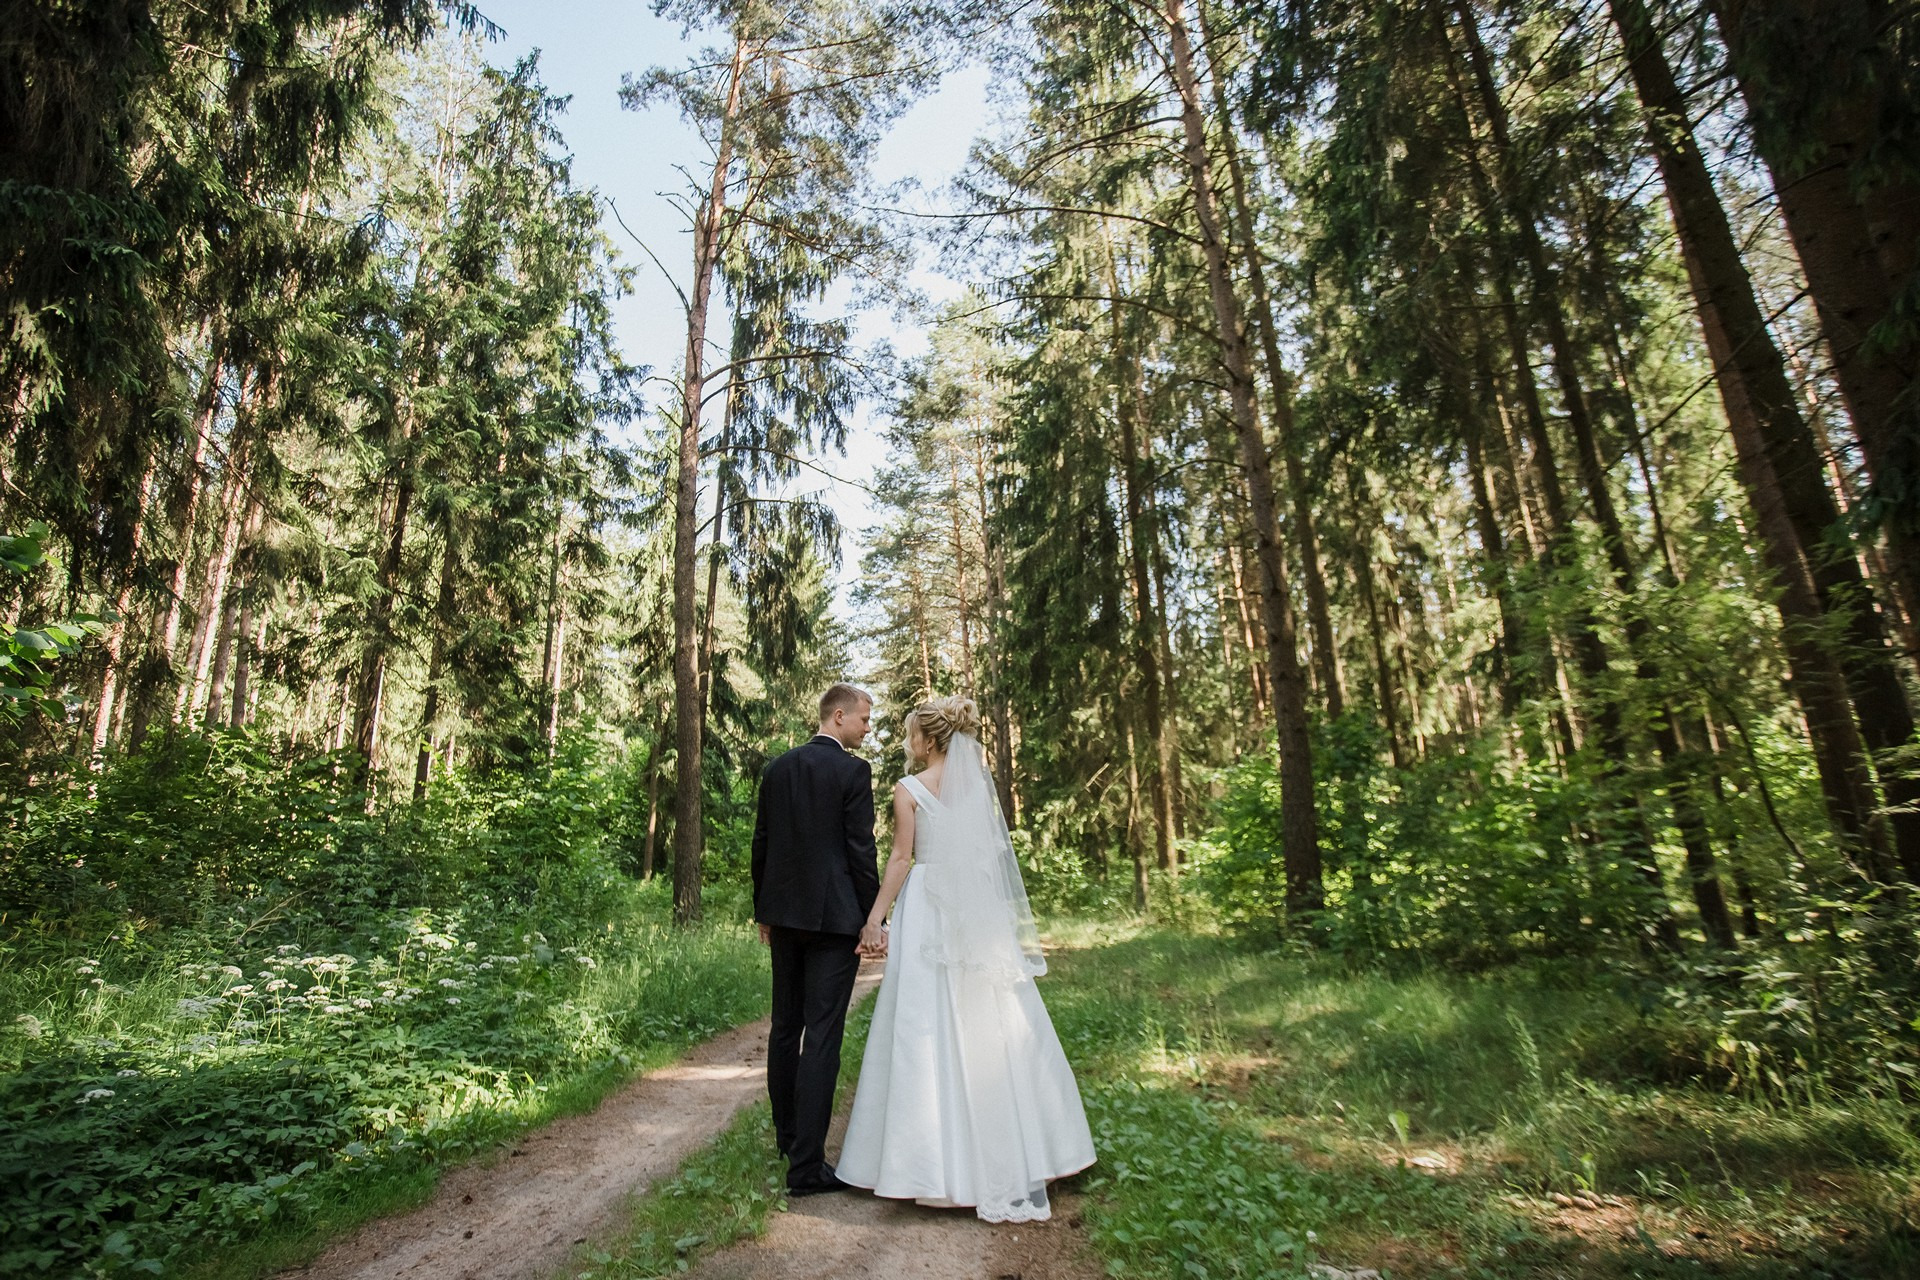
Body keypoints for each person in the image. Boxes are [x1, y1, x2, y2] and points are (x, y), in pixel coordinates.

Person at [836, 695, 1096, 1222]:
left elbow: (902, 858)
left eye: (912, 735)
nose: (908, 743)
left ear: (928, 740)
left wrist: (874, 919)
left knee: (923, 1016)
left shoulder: (907, 790)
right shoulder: (976, 788)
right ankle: (1044, 1146)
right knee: (997, 1013)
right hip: (975, 906)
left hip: (929, 904)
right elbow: (985, 855)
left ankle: (929, 1164)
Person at [751, 682, 886, 1196]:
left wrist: (763, 910)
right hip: (834, 922)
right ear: (837, 716)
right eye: (865, 719)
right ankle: (806, 1169)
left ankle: (788, 1140)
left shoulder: (777, 768)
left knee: (785, 1028)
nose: (867, 728)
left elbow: (762, 843)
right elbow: (860, 852)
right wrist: (873, 916)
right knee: (822, 1036)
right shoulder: (853, 771)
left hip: (783, 917)